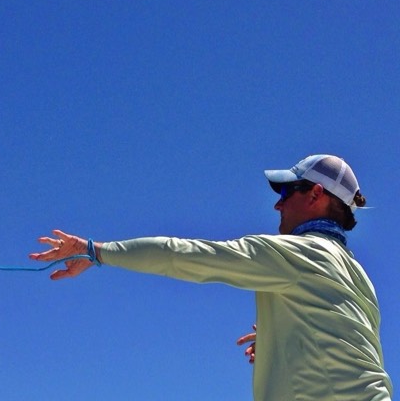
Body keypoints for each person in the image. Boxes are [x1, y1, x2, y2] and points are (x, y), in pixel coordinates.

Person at [30, 154, 393, 400]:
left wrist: (97, 251)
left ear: (315, 193)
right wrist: (281, 336)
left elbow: (181, 256)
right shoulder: (357, 276)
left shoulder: (300, 255)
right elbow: (343, 344)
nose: (277, 204)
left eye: (285, 191)